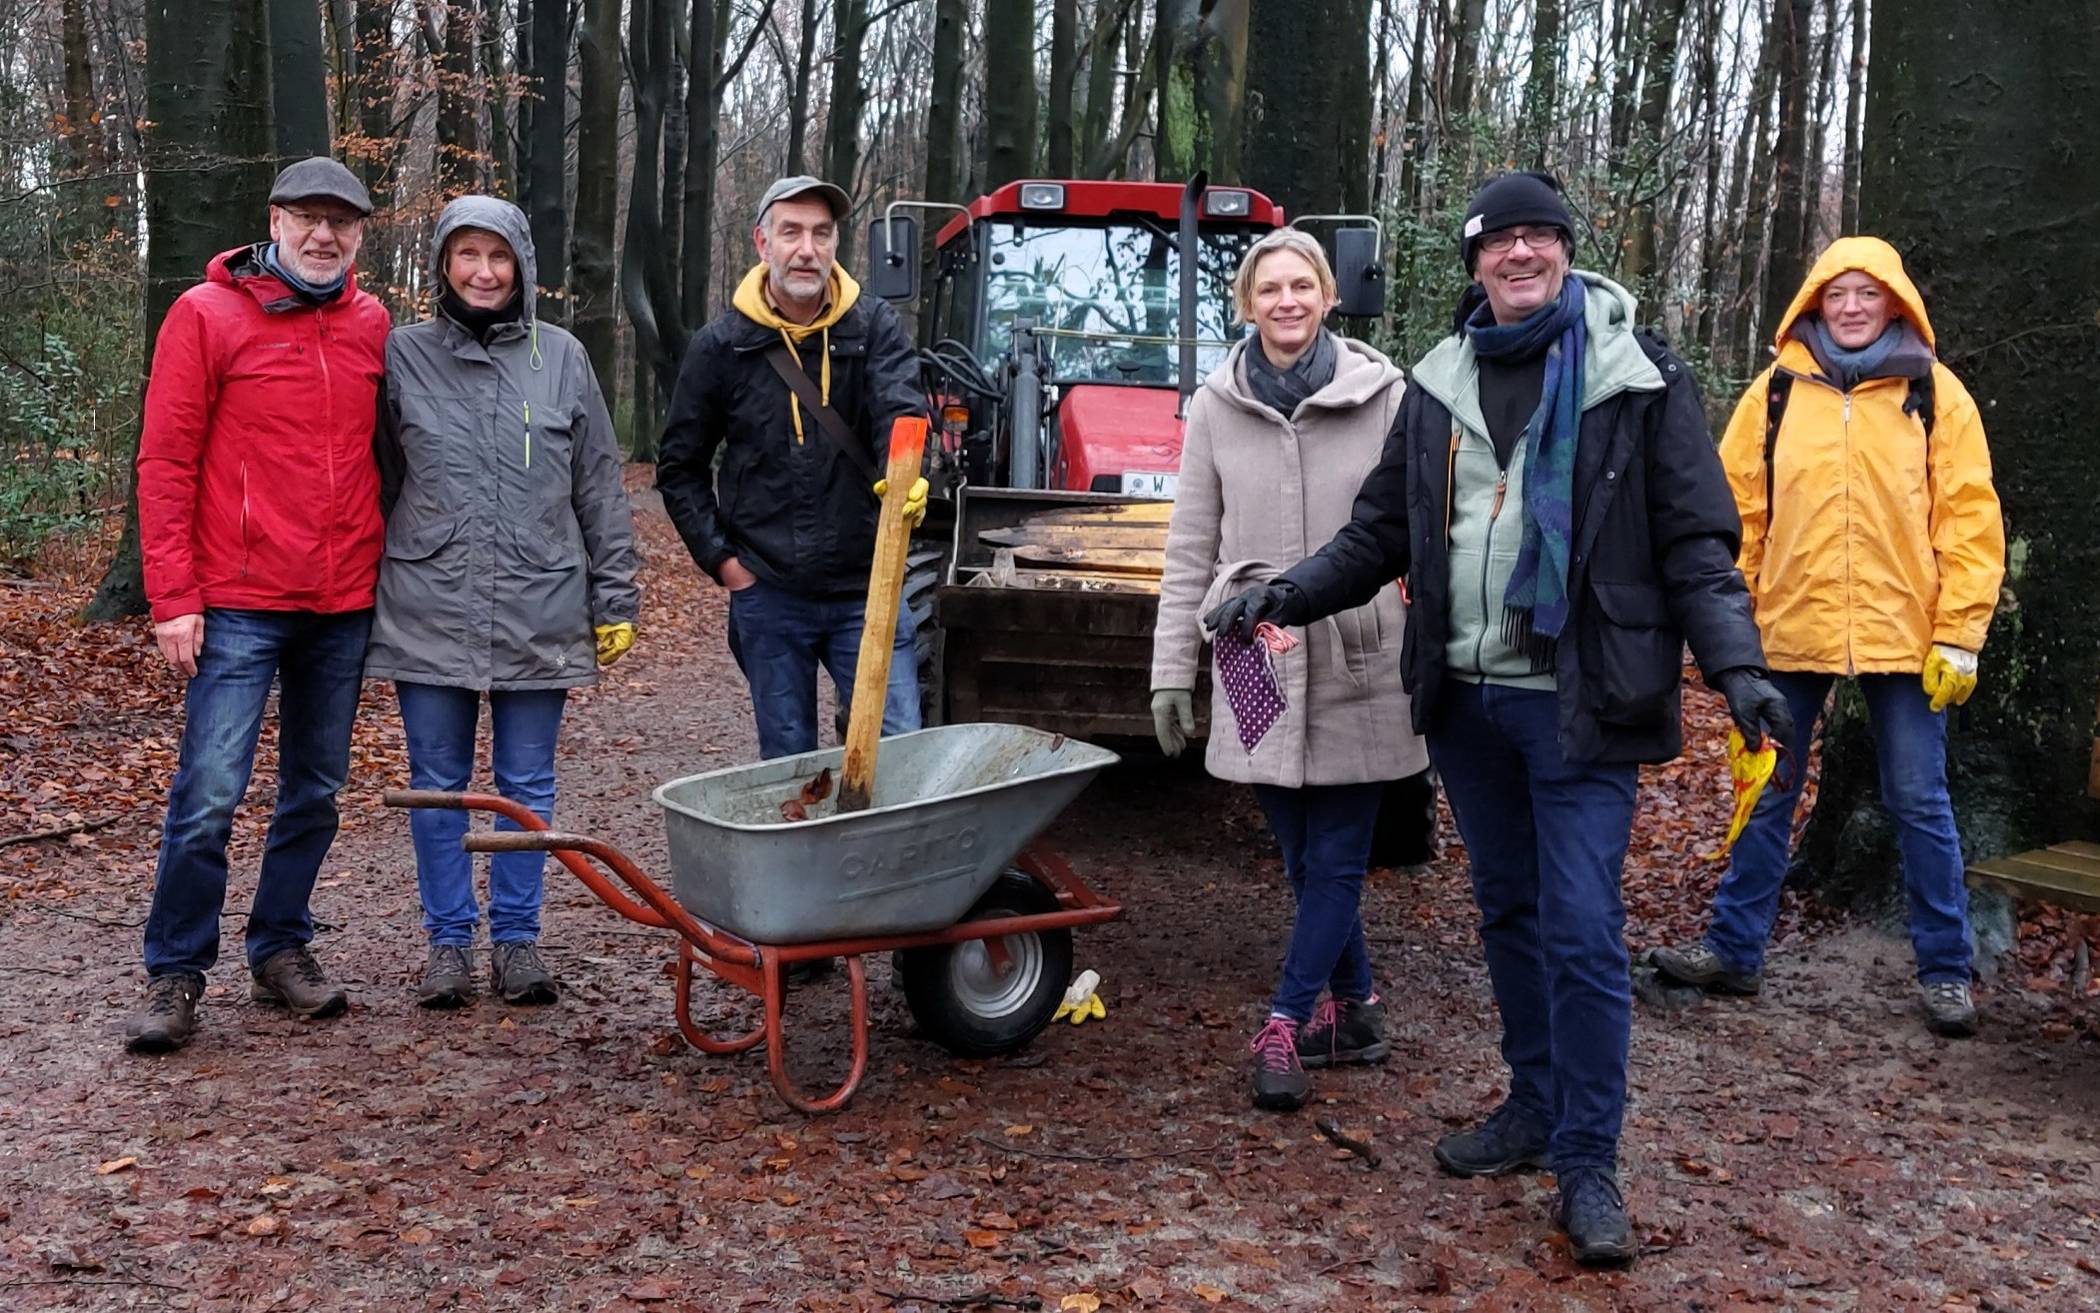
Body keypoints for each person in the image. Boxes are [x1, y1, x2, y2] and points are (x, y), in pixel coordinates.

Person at [1205, 172, 1791, 1265]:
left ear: (1565, 248)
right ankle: (1533, 1104)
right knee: (1511, 912)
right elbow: (1381, 532)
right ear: (1474, 261)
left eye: (1538, 235)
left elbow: (1697, 543)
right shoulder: (1438, 384)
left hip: (1586, 699)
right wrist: (1285, 593)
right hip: (1469, 704)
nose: (1520, 253)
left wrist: (1739, 668)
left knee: (1583, 926)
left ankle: (1588, 1160)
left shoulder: (1638, 374)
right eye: (1499, 239)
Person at [1647, 237, 2004, 1037]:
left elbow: (1970, 519)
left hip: (1907, 634)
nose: (1850, 307)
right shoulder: (1775, 391)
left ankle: (1946, 969)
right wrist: (1731, 625)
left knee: (1919, 799)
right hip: (1788, 625)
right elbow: (1734, 513)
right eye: (1835, 293)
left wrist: (1959, 633)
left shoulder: (1935, 393)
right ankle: (1734, 947)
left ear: (1895, 303)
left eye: (1866, 293)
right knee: (1767, 789)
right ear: (1812, 302)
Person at [1149, 230, 1427, 1113]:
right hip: (1253, 655)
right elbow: (1190, 546)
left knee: (1339, 856)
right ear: (1247, 303)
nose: (1287, 301)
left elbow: (1418, 526)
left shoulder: (1386, 396)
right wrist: (1170, 669)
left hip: (1359, 649)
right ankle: (1359, 1011)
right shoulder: (1215, 406)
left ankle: (1286, 1020)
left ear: (1328, 295)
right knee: (1304, 857)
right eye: (1269, 288)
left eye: (1302, 285)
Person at [125, 158, 392, 1054]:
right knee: (210, 793)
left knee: (315, 790)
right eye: (307, 218)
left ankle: (279, 946)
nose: (324, 235)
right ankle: (175, 971)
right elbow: (165, 459)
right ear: (274, 221)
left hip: (342, 599)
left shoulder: (371, 323)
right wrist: (173, 595)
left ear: (359, 234)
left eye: (340, 222)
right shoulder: (205, 315)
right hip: (237, 599)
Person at [368, 196, 640, 1009]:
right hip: (429, 599)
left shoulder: (563, 358)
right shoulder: (404, 356)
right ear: (442, 264)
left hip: (539, 599)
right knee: (436, 781)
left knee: (527, 781)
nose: (483, 272)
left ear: (522, 264)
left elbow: (599, 486)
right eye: (467, 255)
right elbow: (378, 480)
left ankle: (518, 941)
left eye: (499, 256)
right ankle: (448, 943)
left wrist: (616, 594)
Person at [656, 175, 928, 761]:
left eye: (821, 234)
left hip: (868, 585)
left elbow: (901, 411)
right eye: (791, 233)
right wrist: (725, 564)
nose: (807, 249)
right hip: (769, 590)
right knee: (788, 765)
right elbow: (679, 467)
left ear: (835, 244)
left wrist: (905, 472)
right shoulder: (722, 346)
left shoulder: (874, 328)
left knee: (899, 755)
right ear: (763, 243)